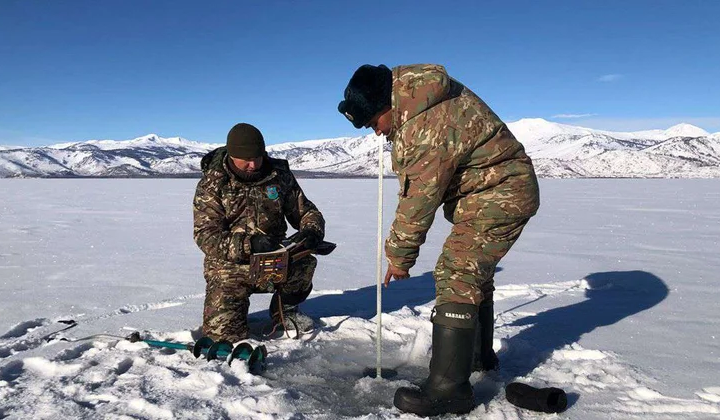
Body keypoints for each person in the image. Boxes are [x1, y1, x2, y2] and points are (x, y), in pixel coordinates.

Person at [338, 64, 540, 416]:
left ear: (386, 107)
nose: (376, 133)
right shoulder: (421, 100)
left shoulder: (425, 127)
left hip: (501, 194)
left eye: (374, 124)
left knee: (456, 273)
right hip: (491, 193)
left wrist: (399, 257)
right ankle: (476, 359)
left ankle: (449, 389)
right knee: (473, 272)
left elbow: (418, 202)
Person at [193, 123, 325, 342]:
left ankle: (285, 311)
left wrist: (311, 230)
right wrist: (249, 244)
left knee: (304, 263)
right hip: (230, 270)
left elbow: (306, 211)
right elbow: (206, 236)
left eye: (258, 157)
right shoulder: (212, 184)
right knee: (224, 339)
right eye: (246, 159)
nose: (253, 164)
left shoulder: (279, 176)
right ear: (232, 155)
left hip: (274, 260)